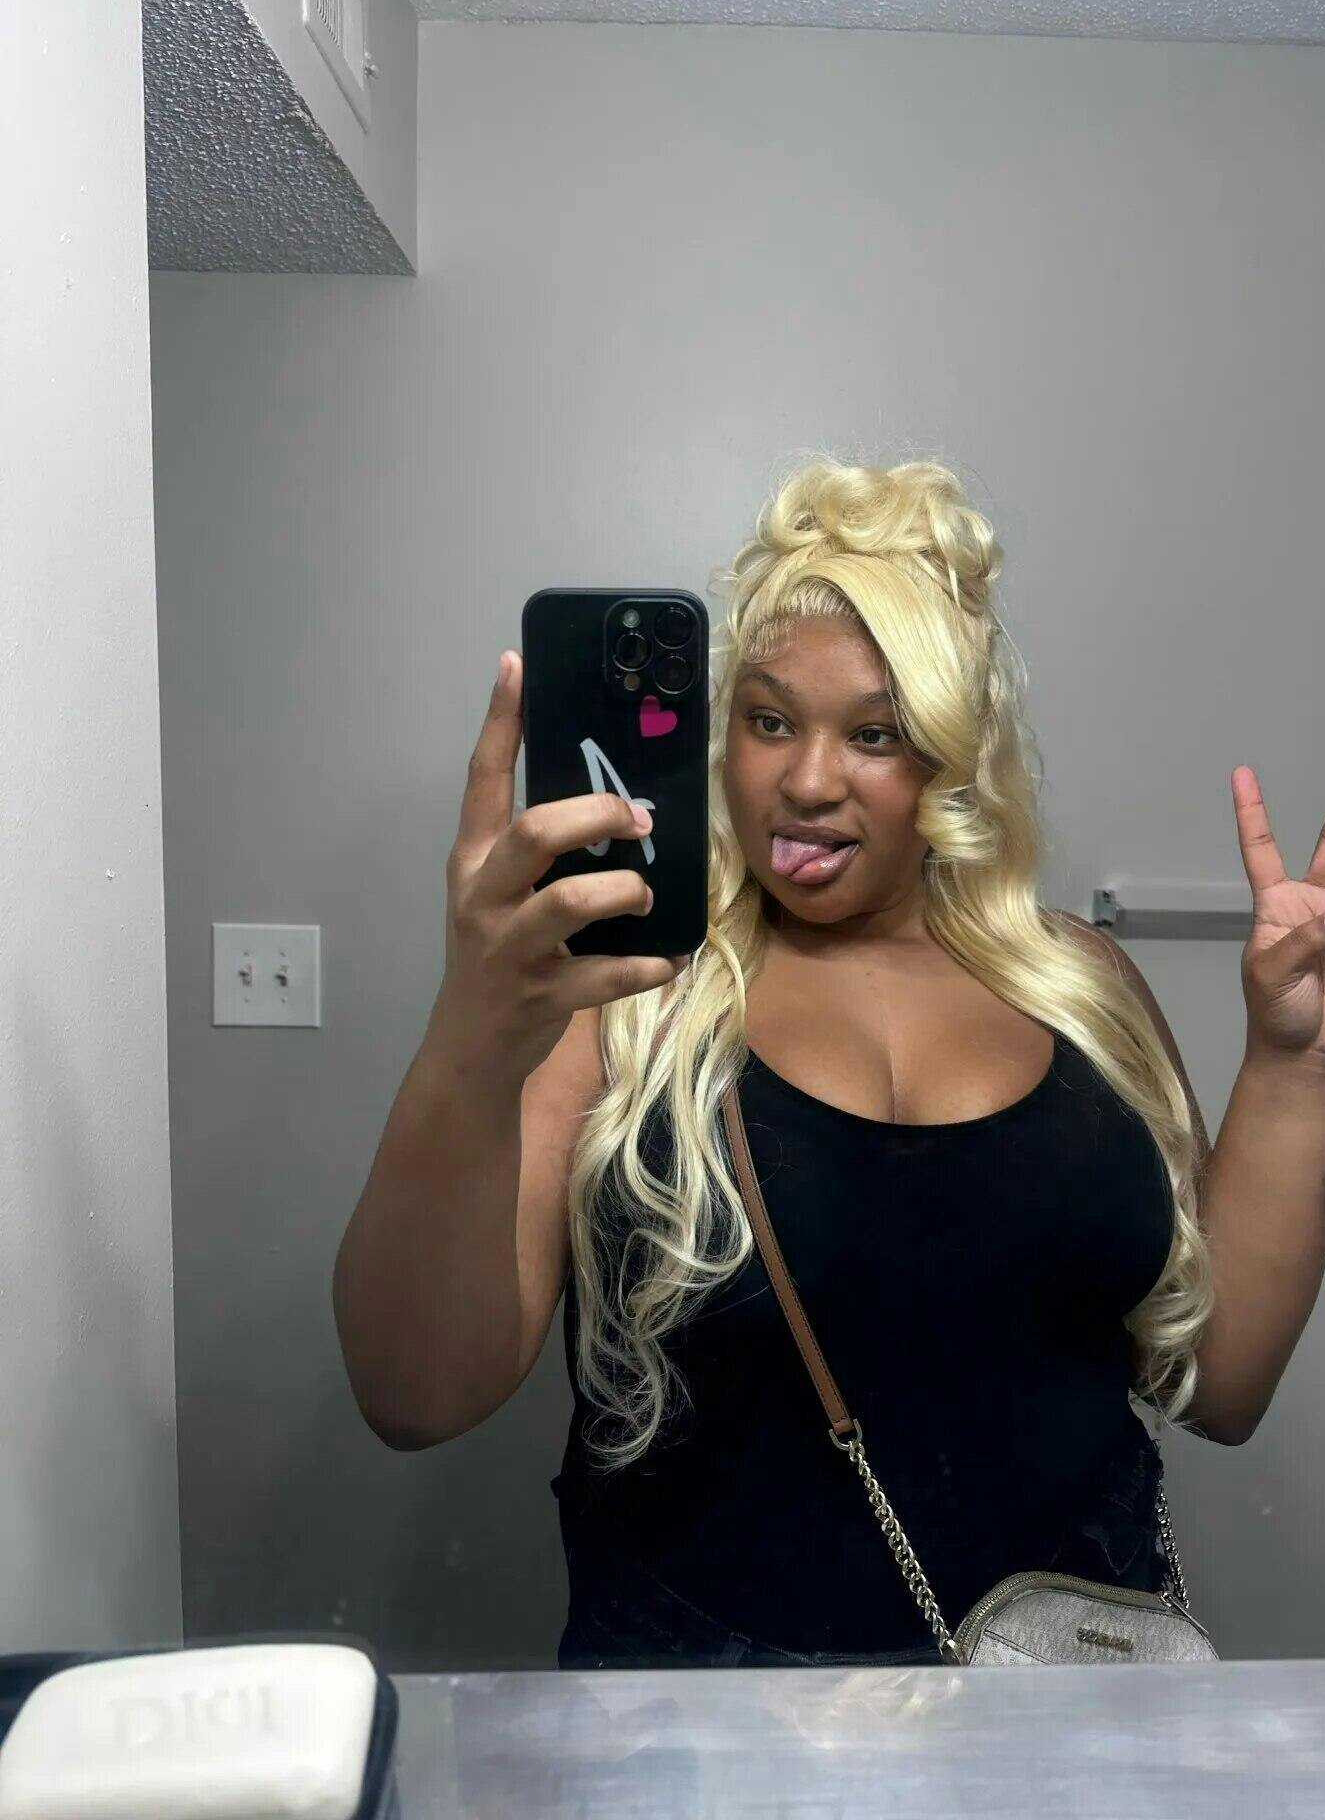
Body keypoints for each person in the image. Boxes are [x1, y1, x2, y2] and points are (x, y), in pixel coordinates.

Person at [332, 456, 1221, 1669]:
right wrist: (472, 1029)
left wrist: (1298, 1063)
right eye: (768, 720)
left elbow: (1221, 1383)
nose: (805, 780)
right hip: (693, 1736)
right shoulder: (625, 1000)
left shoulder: (1084, 988)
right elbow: (412, 1392)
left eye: (875, 732)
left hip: (1067, 1726)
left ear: (950, 757)